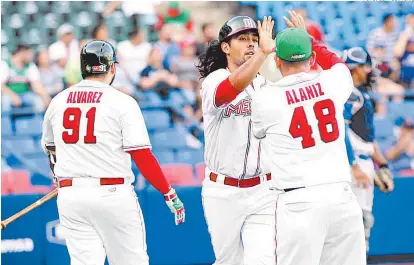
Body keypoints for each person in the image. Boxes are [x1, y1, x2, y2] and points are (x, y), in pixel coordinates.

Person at [41, 40, 185, 265]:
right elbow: (142, 156)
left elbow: (51, 150)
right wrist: (168, 192)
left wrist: (59, 179)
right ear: (112, 68)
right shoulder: (122, 102)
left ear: (83, 68)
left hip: (72, 196)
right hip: (112, 193)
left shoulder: (58, 101)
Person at [250, 11, 366, 265]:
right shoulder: (333, 82)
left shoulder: (266, 98)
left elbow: (257, 128)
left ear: (277, 61)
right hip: (341, 196)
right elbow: (337, 63)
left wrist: (263, 52)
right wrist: (309, 40)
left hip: (298, 202)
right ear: (312, 57)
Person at [196, 15, 280, 265]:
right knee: (228, 262)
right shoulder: (214, 81)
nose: (251, 43)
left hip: (263, 190)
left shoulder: (266, 85)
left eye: (255, 38)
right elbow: (229, 90)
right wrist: (262, 55)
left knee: (263, 260)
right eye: (242, 39)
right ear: (225, 47)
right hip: (223, 191)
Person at [342, 46, 395, 252]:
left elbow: (367, 137)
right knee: (355, 222)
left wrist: (381, 162)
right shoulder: (350, 94)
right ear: (355, 68)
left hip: (363, 160)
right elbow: (342, 132)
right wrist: (353, 166)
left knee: (364, 221)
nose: (369, 71)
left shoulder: (360, 93)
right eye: (364, 66)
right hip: (353, 162)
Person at [1, 44, 51, 112]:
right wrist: (13, 96)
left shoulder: (30, 65)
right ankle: (5, 122)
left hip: (24, 94)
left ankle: (38, 122)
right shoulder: (5, 63)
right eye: (30, 54)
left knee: (39, 102)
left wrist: (46, 97)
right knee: (5, 101)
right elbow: (1, 86)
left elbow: (37, 85)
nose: (32, 57)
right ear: (22, 53)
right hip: (7, 95)